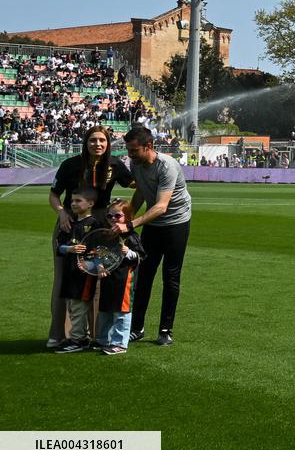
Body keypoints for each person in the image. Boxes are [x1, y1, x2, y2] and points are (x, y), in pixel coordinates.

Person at [47, 125, 133, 349]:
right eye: (93, 140)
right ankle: (57, 334)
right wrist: (62, 212)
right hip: (70, 226)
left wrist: (130, 213)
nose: (98, 144)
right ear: (86, 143)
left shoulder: (115, 164)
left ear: (108, 143)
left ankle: (94, 336)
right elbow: (54, 195)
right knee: (63, 280)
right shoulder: (71, 165)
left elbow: (136, 183)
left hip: (100, 230)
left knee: (97, 279)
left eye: (102, 140)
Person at [117, 126, 192, 347]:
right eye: (129, 150)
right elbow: (140, 191)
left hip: (176, 224)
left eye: (134, 150)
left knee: (170, 277)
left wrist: (131, 224)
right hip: (153, 225)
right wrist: (127, 215)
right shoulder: (137, 164)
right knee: (144, 276)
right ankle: (137, 328)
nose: (130, 155)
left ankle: (165, 330)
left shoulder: (167, 166)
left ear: (148, 146)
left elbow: (161, 206)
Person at [53, 188, 101, 354]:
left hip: (84, 276)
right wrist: (69, 249)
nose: (73, 204)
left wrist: (93, 264)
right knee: (72, 307)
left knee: (80, 307)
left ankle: (78, 340)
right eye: (72, 201)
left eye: (78, 200)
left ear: (90, 204)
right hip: (70, 273)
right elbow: (59, 247)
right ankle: (80, 337)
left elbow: (99, 250)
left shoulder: (94, 225)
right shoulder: (69, 223)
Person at [97, 199, 146, 355]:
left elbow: (142, 256)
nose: (112, 219)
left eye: (117, 216)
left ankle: (120, 343)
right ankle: (103, 340)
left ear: (128, 218)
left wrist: (129, 252)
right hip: (108, 280)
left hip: (124, 281)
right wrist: (99, 265)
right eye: (109, 216)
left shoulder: (131, 236)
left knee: (122, 312)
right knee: (105, 310)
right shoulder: (106, 234)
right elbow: (99, 253)